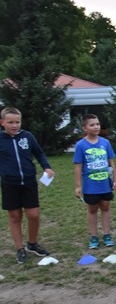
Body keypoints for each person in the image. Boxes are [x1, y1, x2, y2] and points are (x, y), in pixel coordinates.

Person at [0, 107, 54, 264]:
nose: (14, 125)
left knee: (33, 215)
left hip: (29, 182)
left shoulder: (27, 136)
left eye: (17, 122)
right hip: (10, 184)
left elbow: (39, 153)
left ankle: (32, 243)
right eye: (10, 122)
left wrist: (46, 167)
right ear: (2, 122)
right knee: (15, 216)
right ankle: (20, 248)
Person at [74, 114, 116, 249]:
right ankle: (94, 236)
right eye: (92, 125)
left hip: (105, 183)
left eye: (97, 124)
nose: (96, 127)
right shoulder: (81, 145)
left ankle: (107, 234)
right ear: (84, 128)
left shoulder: (105, 143)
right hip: (90, 185)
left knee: (105, 206)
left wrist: (114, 179)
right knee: (92, 209)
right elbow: (78, 166)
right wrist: (78, 186)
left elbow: (111, 163)